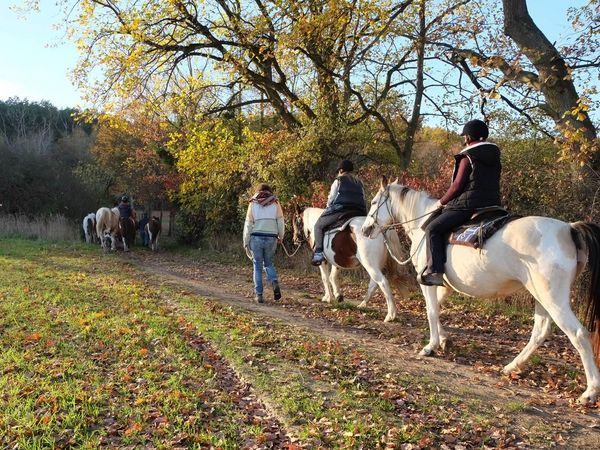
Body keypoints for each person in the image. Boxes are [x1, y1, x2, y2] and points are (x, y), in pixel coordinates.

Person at [420, 119, 502, 286]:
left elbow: (457, 186)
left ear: (469, 137)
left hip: (468, 205)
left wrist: (441, 202)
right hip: (492, 204)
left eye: (465, 135)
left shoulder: (468, 157)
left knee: (432, 229)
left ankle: (435, 271)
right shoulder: (494, 156)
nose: (464, 138)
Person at [311, 159, 367, 266]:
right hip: (359, 212)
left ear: (341, 170)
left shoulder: (339, 181)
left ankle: (318, 253)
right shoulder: (359, 183)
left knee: (318, 226)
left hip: (341, 210)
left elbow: (331, 199)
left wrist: (327, 209)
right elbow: (363, 199)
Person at [243, 183, 285, 303]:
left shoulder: (253, 203)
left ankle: (259, 295)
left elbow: (248, 224)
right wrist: (281, 236)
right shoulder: (276, 203)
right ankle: (274, 281)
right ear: (269, 191)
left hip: (256, 237)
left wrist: (245, 241)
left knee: (257, 266)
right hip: (271, 238)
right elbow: (280, 222)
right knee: (268, 263)